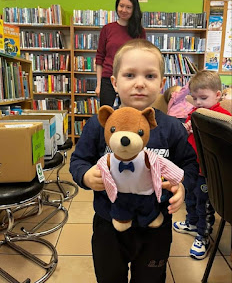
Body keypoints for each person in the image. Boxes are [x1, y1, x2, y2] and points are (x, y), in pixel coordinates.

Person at [70, 39, 199, 283]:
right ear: (115, 83)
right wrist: (86, 176)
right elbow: (79, 161)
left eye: (149, 76)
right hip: (109, 222)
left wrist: (182, 186)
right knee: (109, 277)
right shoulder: (99, 125)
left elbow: (189, 165)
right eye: (130, 75)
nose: (139, 83)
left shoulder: (172, 128)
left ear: (161, 84)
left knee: (151, 278)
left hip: (156, 225)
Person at [173, 70, 232, 260]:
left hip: (208, 172)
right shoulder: (195, 113)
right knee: (190, 198)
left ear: (217, 95)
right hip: (192, 167)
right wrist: (187, 127)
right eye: (195, 98)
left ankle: (203, 235)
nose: (198, 103)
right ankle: (191, 223)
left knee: (204, 204)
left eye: (203, 98)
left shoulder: (221, 116)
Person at [95, 0, 146, 106]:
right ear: (117, 6)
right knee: (106, 115)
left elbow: (143, 58)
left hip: (130, 79)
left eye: (128, 7)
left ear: (134, 10)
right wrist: (99, 85)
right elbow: (99, 58)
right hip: (108, 79)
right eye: (121, 6)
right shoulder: (107, 29)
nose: (123, 10)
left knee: (129, 114)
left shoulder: (139, 31)